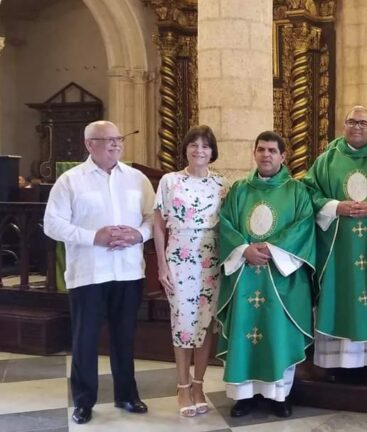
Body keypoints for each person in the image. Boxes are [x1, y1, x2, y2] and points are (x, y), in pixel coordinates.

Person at [43, 120, 155, 424]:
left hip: (129, 271)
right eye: (108, 140)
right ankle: (83, 401)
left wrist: (138, 235)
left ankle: (127, 395)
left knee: (124, 337)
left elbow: (152, 220)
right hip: (89, 272)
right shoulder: (70, 181)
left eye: (119, 139)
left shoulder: (137, 179)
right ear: (89, 144)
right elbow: (52, 224)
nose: (116, 144)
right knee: (85, 339)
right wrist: (95, 237)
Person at [216, 131, 315, 419]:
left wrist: (272, 249)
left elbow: (304, 226)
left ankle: (279, 395)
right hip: (245, 275)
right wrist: (244, 249)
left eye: (272, 150)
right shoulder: (239, 190)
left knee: (277, 334)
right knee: (245, 332)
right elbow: (225, 225)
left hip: (282, 278)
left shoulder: (297, 191)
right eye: (261, 149)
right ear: (255, 153)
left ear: (283, 156)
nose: (266, 155)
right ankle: (243, 396)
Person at [303, 106, 367, 383]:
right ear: (343, 125)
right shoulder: (327, 159)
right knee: (337, 294)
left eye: (363, 122)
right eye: (352, 122)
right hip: (338, 246)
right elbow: (309, 192)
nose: (357, 127)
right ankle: (336, 364)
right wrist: (335, 206)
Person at [153, 125, 228, 417]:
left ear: (212, 152)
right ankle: (182, 386)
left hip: (211, 261)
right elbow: (158, 226)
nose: (199, 150)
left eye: (206, 146)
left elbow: (227, 227)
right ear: (185, 148)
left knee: (206, 324)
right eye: (194, 145)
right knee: (183, 324)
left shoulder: (221, 185)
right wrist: (161, 265)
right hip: (179, 260)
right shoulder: (170, 181)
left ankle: (199, 385)